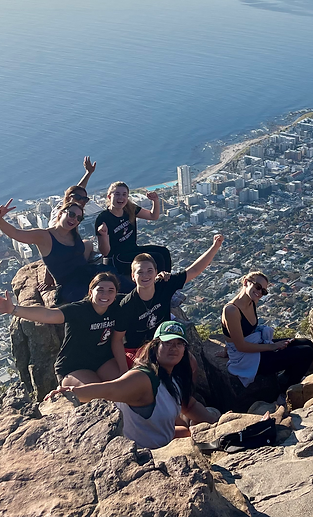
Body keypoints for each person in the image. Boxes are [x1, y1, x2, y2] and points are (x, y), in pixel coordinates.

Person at [45, 321, 218, 449]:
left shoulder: (173, 377)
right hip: (145, 453)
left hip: (161, 440)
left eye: (179, 344)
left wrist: (215, 422)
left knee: (198, 425)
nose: (174, 348)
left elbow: (189, 404)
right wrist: (72, 392)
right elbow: (110, 389)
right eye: (167, 343)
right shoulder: (143, 378)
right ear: (155, 347)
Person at [0, 271, 126, 386]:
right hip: (74, 366)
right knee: (97, 393)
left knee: (124, 387)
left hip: (102, 360)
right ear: (90, 292)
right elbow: (48, 314)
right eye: (100, 290)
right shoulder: (79, 310)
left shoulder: (117, 306)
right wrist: (13, 309)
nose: (105, 295)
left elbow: (141, 297)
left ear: (116, 294)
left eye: (110, 291)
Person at [118, 235, 224, 366]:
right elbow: (117, 340)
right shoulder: (128, 304)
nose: (145, 275)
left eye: (149, 271)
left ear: (156, 272)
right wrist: (123, 371)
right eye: (140, 272)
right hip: (136, 350)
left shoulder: (164, 286)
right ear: (133, 276)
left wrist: (215, 247)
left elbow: (194, 270)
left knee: (191, 363)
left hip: (160, 342)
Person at [222, 272, 313, 388]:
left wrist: (226, 350)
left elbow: (234, 333)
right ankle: (284, 389)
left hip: (256, 345)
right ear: (246, 282)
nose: (260, 292)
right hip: (247, 359)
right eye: (258, 287)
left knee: (307, 343)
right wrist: (273, 346)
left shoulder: (252, 301)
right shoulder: (231, 310)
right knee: (306, 352)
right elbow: (240, 346)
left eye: (264, 291)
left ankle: (285, 377)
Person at [0, 198, 95, 303]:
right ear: (60, 213)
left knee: (111, 275)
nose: (75, 220)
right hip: (71, 287)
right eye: (72, 214)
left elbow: (83, 248)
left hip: (88, 274)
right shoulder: (44, 236)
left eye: (79, 218)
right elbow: (16, 233)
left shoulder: (73, 232)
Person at [96, 182, 172, 280]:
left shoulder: (130, 209)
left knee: (164, 252)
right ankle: (160, 286)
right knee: (156, 258)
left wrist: (155, 200)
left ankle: (168, 283)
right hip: (117, 258)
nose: (121, 197)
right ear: (109, 197)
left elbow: (153, 216)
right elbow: (105, 252)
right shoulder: (103, 218)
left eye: (124, 194)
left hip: (132, 249)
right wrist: (104, 236)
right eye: (117, 194)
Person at [48, 156, 97, 226]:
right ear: (68, 198)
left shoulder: (66, 206)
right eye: (77, 198)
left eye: (85, 199)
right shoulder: (60, 215)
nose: (81, 201)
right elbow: (54, 228)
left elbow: (78, 190)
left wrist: (88, 173)